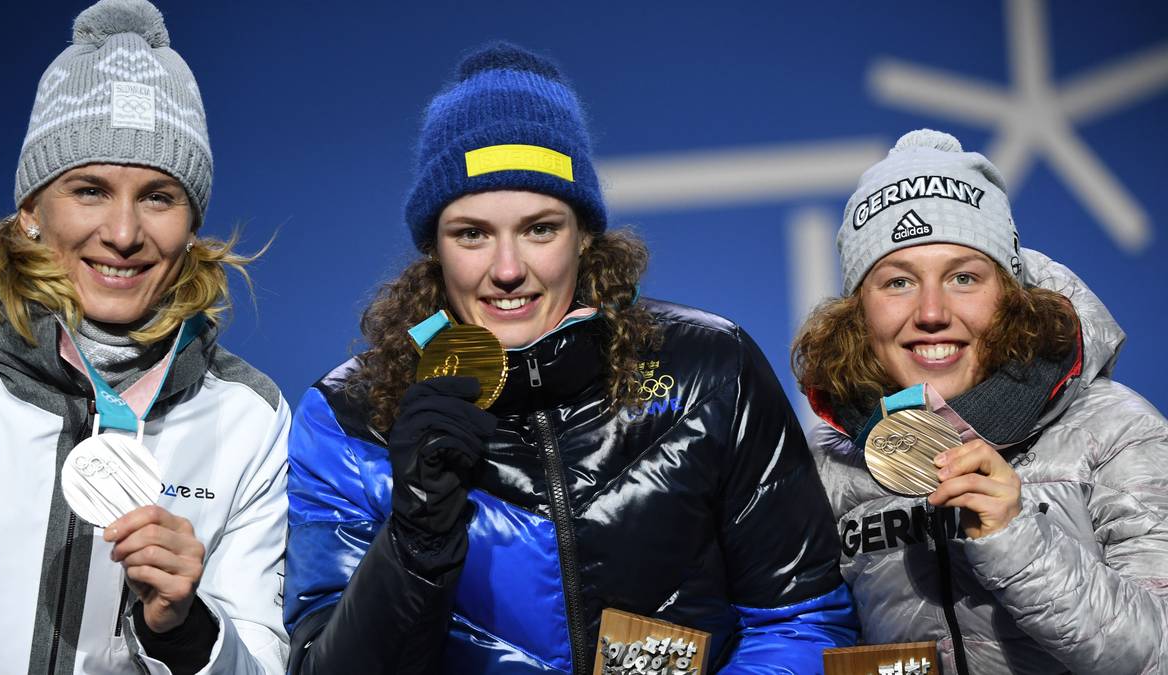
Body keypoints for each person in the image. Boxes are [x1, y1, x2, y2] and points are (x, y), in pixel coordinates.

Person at [284, 42, 857, 674]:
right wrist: (417, 535)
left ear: (584, 235)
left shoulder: (711, 369)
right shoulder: (349, 416)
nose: (507, 270)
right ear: (434, 249)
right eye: (472, 233)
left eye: (539, 229)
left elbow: (800, 621)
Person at [0, 0, 290, 672]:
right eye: (89, 189)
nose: (122, 232)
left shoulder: (248, 418)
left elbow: (258, 658)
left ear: (192, 222)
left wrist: (187, 629)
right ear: (31, 209)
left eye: (158, 196)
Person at [793, 129, 1168, 673]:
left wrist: (1016, 536)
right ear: (859, 312)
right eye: (897, 282)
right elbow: (795, 634)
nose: (930, 312)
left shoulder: (1115, 432)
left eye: (964, 277)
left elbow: (1159, 651)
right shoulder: (826, 463)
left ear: (1011, 296)